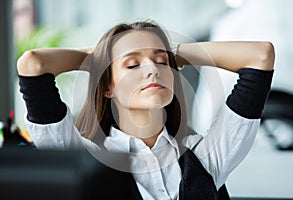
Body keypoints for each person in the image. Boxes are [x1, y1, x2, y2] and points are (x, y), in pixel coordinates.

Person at [17, 21, 275, 200]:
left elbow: (260, 56)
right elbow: (33, 64)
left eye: (161, 62)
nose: (152, 69)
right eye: (132, 65)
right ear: (107, 87)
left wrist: (178, 54)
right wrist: (96, 57)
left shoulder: (202, 155)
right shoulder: (85, 157)